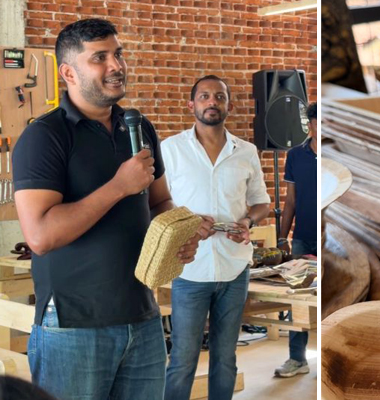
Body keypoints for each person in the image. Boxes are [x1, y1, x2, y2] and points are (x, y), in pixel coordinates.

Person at [12, 19, 211, 400]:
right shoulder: (45, 137)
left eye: (117, 54)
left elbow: (159, 202)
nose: (116, 65)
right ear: (69, 73)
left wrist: (177, 234)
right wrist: (119, 187)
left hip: (143, 316)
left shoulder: (138, 126)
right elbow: (40, 236)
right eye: (99, 58)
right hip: (73, 326)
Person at [162, 75, 271, 400]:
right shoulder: (171, 149)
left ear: (229, 106)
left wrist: (247, 221)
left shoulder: (246, 151)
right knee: (183, 359)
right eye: (205, 96)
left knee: (225, 358)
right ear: (191, 105)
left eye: (219, 97)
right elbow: (156, 205)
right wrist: (189, 223)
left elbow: (262, 203)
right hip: (190, 269)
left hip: (234, 268)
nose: (212, 102)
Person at [274, 102, 317, 378]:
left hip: (329, 237)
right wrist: (282, 237)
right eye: (317, 122)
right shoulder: (295, 155)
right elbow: (290, 201)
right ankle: (297, 359)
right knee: (297, 300)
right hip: (302, 239)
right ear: (310, 124)